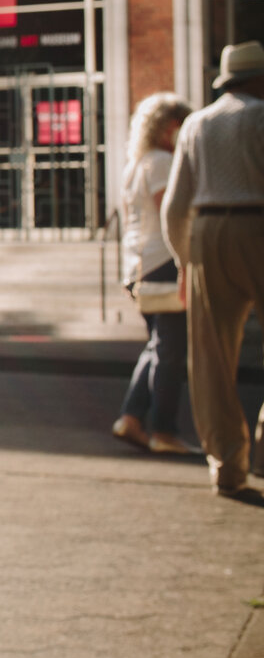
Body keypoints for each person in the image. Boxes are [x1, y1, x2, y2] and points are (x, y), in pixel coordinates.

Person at [164, 40, 264, 498]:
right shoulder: (260, 116)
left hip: (206, 231)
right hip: (258, 225)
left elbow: (174, 205)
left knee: (211, 359)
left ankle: (227, 463)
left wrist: (186, 261)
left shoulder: (196, 124)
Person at [115, 92, 194, 453]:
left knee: (156, 347)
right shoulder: (162, 162)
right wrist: (186, 262)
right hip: (162, 261)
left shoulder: (135, 164)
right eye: (179, 124)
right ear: (166, 128)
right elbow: (171, 215)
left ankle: (132, 418)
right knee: (171, 352)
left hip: (138, 264)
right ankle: (164, 431)